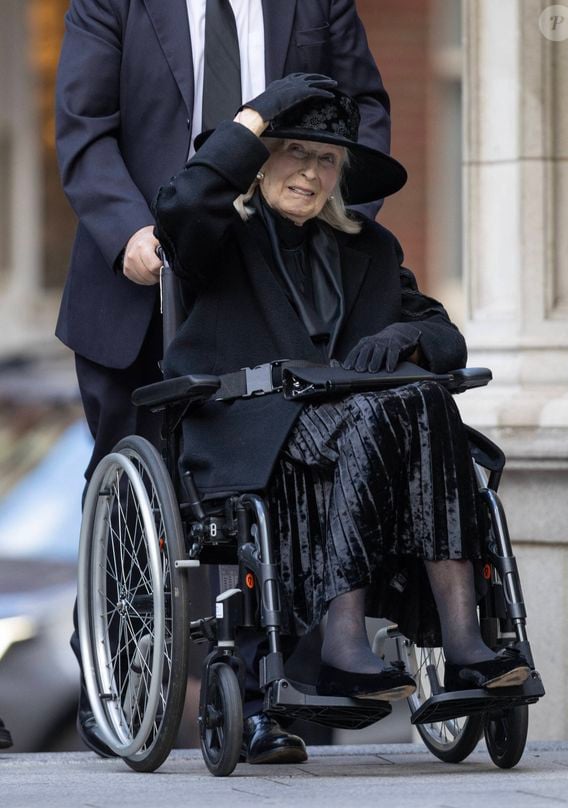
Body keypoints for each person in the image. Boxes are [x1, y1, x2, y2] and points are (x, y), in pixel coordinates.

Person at [56, 0, 391, 763]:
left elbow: (365, 111)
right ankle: (117, 679)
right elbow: (84, 127)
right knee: (130, 494)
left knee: (279, 483)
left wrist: (333, 223)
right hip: (139, 282)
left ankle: (271, 697)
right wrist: (128, 232)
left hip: (275, 280)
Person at [153, 74, 532, 736]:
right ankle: (344, 639)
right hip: (256, 427)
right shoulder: (218, 239)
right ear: (261, 160)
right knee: (389, 409)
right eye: (295, 152)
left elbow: (445, 336)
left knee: (426, 398)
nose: (310, 172)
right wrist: (259, 115)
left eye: (326, 159)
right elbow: (184, 203)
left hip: (364, 434)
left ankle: (464, 641)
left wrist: (405, 335)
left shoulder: (369, 248)